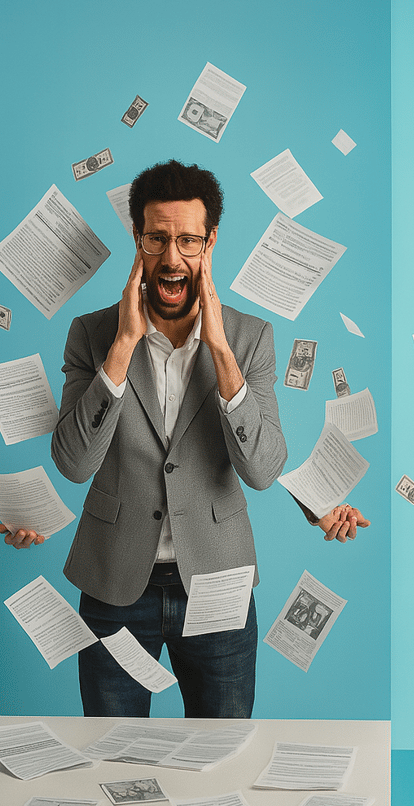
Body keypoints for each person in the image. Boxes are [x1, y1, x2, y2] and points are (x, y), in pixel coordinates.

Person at [51, 159, 367, 719]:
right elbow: (74, 464)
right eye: (157, 239)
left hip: (218, 583)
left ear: (210, 241)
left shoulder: (250, 339)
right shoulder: (92, 334)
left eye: (189, 240)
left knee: (222, 761)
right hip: (114, 584)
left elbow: (264, 470)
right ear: (138, 239)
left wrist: (221, 353)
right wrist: (123, 347)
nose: (172, 258)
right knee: (114, 759)